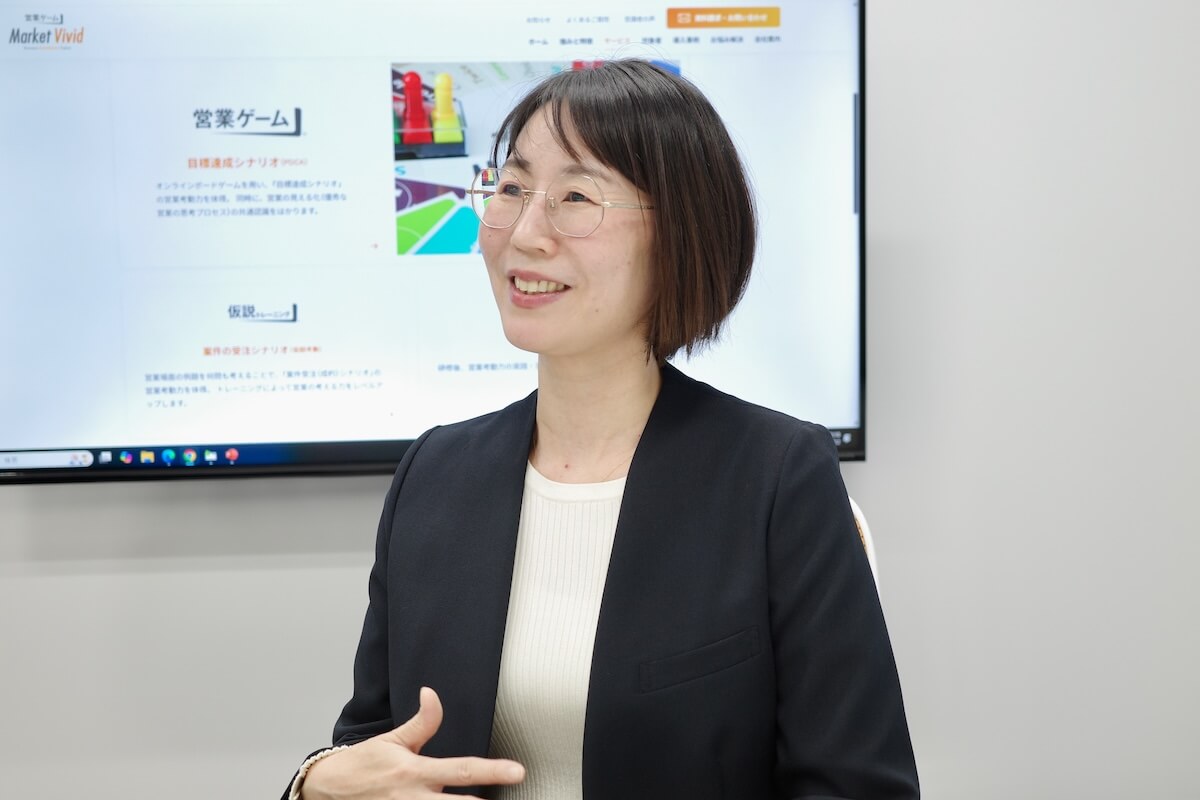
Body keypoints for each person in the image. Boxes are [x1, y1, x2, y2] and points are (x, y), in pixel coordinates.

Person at [285, 59, 919, 800]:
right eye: (512, 189)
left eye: (576, 198)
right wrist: (312, 783)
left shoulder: (776, 477)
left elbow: (857, 785)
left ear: (680, 233)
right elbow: (373, 752)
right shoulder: (436, 471)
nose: (525, 234)